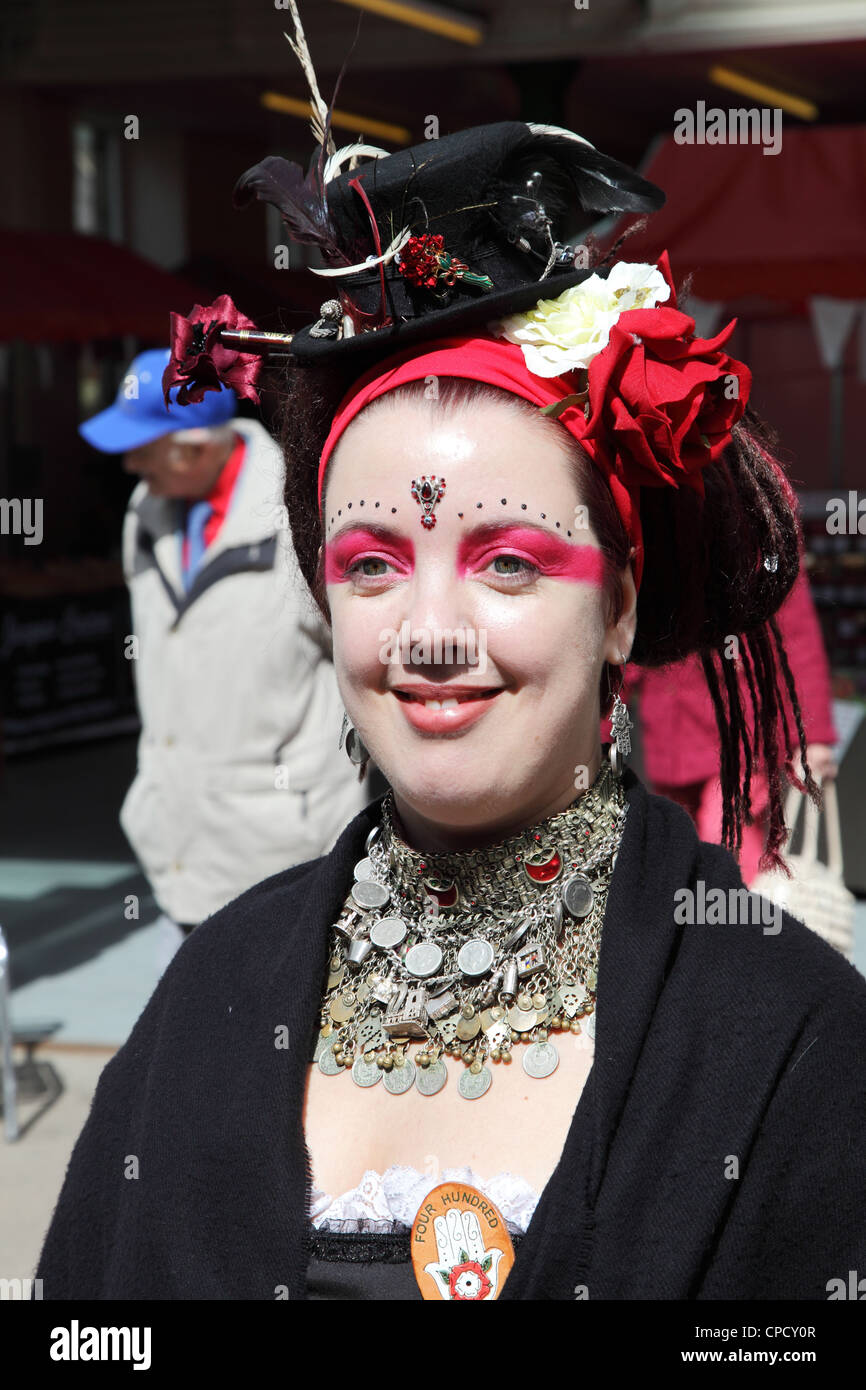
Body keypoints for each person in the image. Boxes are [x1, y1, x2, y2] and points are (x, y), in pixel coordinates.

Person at [37, 103, 866, 1301]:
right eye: (373, 562)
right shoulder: (215, 994)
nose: (428, 633)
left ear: (619, 610)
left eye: (511, 562)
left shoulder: (785, 1038)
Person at [79, 350, 367, 951]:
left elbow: (363, 665)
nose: (130, 463)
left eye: (144, 445)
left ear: (197, 443)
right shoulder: (146, 512)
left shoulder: (301, 509)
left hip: (285, 857)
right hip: (175, 852)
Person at [622, 566, 839, 884]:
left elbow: (797, 637)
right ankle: (698, 927)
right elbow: (630, 636)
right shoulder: (655, 531)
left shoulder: (764, 532)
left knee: (726, 838)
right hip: (671, 733)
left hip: (739, 729)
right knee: (676, 844)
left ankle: (736, 926)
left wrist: (812, 737)